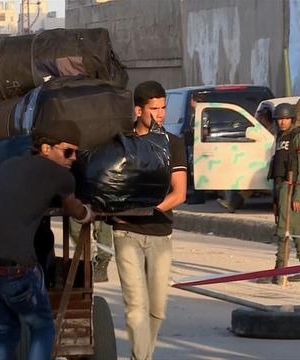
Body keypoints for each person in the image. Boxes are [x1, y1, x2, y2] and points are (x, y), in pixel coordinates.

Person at [0, 120, 95, 360]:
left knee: (6, 332)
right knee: (43, 328)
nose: (72, 158)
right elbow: (74, 208)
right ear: (45, 149)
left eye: (76, 153)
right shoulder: (61, 177)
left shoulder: (5, 166)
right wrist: (87, 214)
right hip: (16, 270)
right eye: (68, 151)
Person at [112, 81, 187, 360]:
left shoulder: (173, 144)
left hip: (160, 232)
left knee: (157, 309)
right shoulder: (122, 142)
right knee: (135, 306)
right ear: (138, 109)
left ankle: (139, 356)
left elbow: (178, 193)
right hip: (125, 232)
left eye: (163, 108)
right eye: (153, 109)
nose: (160, 114)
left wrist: (150, 209)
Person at [262, 102, 300, 284]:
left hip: (290, 187)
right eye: (279, 119)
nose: (282, 122)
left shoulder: (299, 137)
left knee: (283, 229)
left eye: (286, 118)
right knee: (297, 228)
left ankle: (279, 270)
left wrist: (298, 195)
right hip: (280, 186)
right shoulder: (280, 136)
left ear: (291, 119)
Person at [217, 107, 276, 213]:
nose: (258, 120)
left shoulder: (272, 131)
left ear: (264, 118)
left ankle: (232, 203)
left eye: (259, 117)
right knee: (246, 184)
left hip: (266, 162)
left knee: (247, 182)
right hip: (260, 161)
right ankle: (232, 203)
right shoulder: (266, 130)